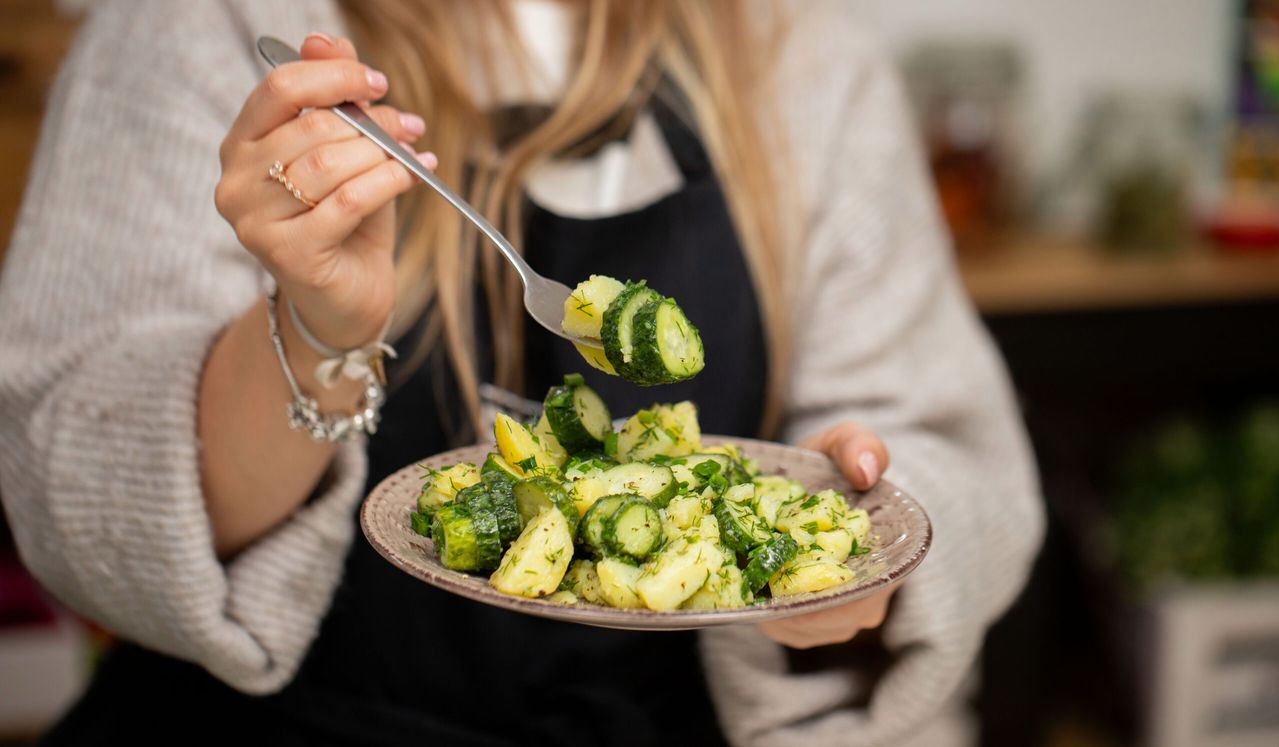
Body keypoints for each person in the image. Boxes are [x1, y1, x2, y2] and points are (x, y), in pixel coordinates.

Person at [0, 0, 1042, 744]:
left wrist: (845, 553)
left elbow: (957, 464)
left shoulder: (801, 55)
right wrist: (314, 331)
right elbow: (74, 499)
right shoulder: (197, 26)